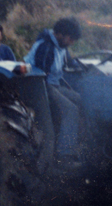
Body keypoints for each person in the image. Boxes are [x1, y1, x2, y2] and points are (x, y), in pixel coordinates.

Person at [24, 17, 83, 161]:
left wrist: (81, 66)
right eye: (70, 39)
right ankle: (64, 153)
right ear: (60, 34)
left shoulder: (61, 46)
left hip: (53, 84)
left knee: (80, 99)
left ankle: (77, 142)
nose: (71, 43)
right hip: (39, 85)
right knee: (71, 110)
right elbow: (41, 77)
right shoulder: (46, 47)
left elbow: (68, 61)